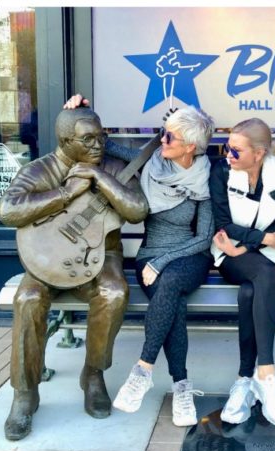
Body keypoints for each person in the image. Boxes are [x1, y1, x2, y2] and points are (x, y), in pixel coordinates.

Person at [0, 107, 149, 440]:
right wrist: (65, 194)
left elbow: (138, 210)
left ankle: (93, 375)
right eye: (87, 139)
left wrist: (101, 179)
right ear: (65, 141)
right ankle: (25, 393)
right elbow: (8, 211)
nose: (98, 145)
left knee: (114, 292)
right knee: (27, 298)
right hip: (46, 262)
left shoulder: (112, 166)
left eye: (101, 137)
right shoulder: (40, 170)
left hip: (102, 256)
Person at [107, 107, 217, 426]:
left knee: (169, 284)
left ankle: (143, 370)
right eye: (163, 132)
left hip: (189, 258)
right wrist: (80, 110)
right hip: (150, 256)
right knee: (173, 303)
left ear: (190, 147)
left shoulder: (204, 179)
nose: (162, 139)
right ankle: (181, 386)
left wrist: (162, 261)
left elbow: (203, 237)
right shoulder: (151, 163)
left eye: (170, 136)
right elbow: (105, 145)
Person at [210, 118, 275, 428]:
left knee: (251, 289)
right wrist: (256, 242)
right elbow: (222, 221)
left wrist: (249, 245)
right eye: (226, 148)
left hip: (269, 256)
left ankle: (246, 379)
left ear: (259, 153)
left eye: (235, 150)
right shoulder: (221, 172)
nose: (227, 155)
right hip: (231, 254)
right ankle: (269, 376)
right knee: (260, 274)